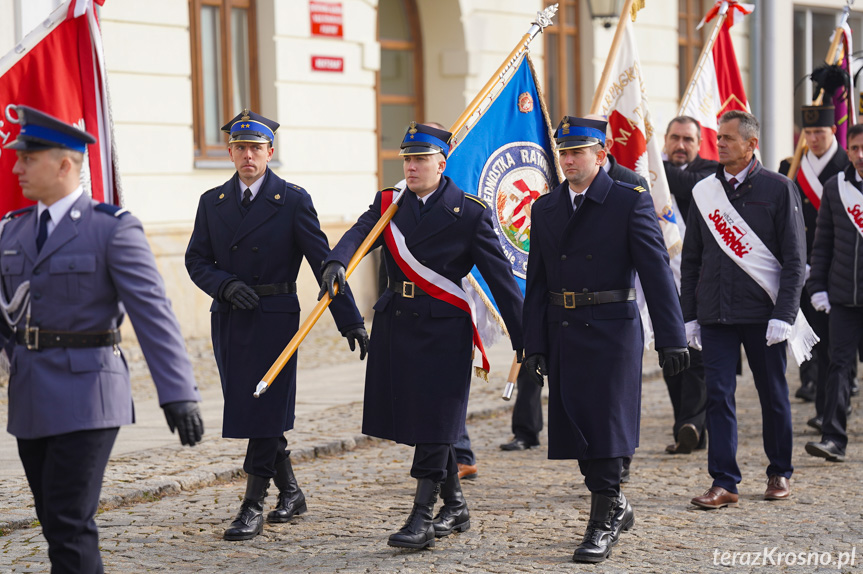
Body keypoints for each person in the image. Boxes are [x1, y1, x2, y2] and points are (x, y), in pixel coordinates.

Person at [0, 105, 204, 573]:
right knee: (53, 521)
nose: (16, 168)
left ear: (64, 164)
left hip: (88, 393)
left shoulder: (110, 228)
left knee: (70, 522)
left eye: (27, 159)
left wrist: (179, 394)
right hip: (30, 394)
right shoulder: (12, 230)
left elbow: (153, 315)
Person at [320, 122, 524, 550]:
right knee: (426, 421)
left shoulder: (468, 212)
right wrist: (337, 262)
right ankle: (456, 506)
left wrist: (526, 339)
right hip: (398, 324)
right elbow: (359, 234)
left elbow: (501, 281)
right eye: (407, 159)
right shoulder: (390, 204)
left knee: (436, 419)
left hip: (444, 329)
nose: (411, 167)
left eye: (419, 159)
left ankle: (421, 517)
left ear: (441, 162)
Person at [185, 110, 368, 541]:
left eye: (256, 148)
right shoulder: (213, 202)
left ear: (271, 151)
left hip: (276, 320)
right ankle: (291, 491)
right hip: (230, 319)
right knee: (253, 410)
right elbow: (196, 260)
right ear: (230, 152)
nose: (248, 156)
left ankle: (252, 504)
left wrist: (350, 320)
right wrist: (224, 285)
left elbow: (324, 264)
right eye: (240, 148)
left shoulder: (293, 199)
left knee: (264, 409)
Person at [522, 116, 688, 563]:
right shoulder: (546, 207)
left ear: (601, 155)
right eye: (564, 153)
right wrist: (532, 343)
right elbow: (536, 282)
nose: (569, 160)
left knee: (607, 424)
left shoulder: (627, 201)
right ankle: (614, 502)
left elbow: (656, 273)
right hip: (563, 327)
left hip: (613, 329)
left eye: (578, 152)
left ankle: (604, 515)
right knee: (577, 424)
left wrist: (673, 338)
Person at [682, 110, 807, 510]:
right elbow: (691, 260)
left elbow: (794, 259)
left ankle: (779, 471)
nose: (719, 144)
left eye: (728, 139)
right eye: (718, 138)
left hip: (763, 315)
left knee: (772, 394)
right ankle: (724, 481)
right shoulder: (704, 192)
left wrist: (784, 315)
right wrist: (689, 315)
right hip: (715, 314)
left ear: (752, 145)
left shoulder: (779, 188)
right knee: (718, 396)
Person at [779, 105, 849, 430]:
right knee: (815, 340)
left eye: (819, 132)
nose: (814, 139)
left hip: (841, 268)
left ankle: (836, 405)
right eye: (808, 133)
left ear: (833, 130)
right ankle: (823, 407)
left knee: (839, 347)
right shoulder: (790, 167)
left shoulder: (848, 164)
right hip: (803, 266)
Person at [804, 122, 863, 463]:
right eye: (854, 148)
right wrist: (818, 288)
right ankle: (833, 438)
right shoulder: (835, 187)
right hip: (842, 298)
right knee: (837, 368)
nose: (859, 155)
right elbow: (821, 243)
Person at [661, 115, 718, 454]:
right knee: (670, 356)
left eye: (688, 139)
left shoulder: (710, 172)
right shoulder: (650, 175)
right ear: (665, 140)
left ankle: (691, 424)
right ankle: (686, 425)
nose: (681, 145)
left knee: (696, 356)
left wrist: (649, 161)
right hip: (661, 280)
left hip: (698, 279)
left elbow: (686, 187)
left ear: (699, 144)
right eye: (674, 138)